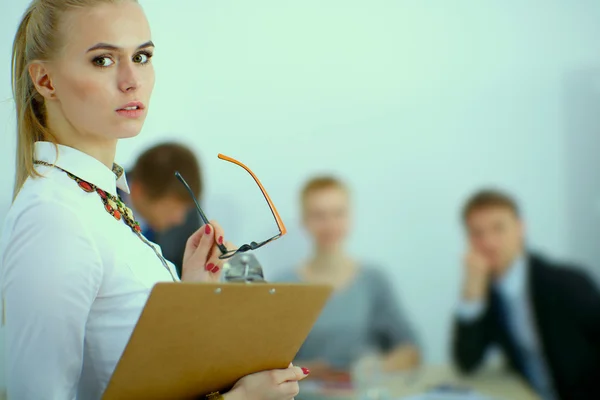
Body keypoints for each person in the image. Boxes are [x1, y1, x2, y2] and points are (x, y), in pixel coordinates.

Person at [0, 1, 309, 399]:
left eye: (142, 57)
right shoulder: (54, 216)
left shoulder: (96, 200)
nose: (132, 80)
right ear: (46, 81)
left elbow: (143, 379)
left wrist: (191, 295)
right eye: (102, 60)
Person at [452, 189, 600, 400]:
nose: (488, 242)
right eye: (477, 233)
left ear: (521, 228)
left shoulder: (566, 284)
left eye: (498, 228)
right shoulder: (491, 294)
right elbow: (466, 360)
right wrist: (471, 292)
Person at [276, 176, 420, 379]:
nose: (330, 224)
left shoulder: (373, 280)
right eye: (319, 215)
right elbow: (265, 364)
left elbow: (410, 349)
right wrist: (309, 372)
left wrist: (373, 368)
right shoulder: (283, 285)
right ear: (304, 221)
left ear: (350, 217)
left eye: (338, 214)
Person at [120, 142, 202, 277]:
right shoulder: (96, 198)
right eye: (172, 208)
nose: (180, 219)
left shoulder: (188, 212)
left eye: (185, 209)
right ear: (138, 191)